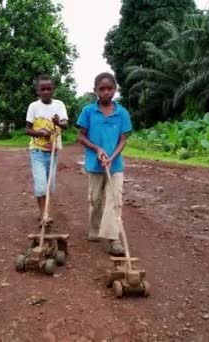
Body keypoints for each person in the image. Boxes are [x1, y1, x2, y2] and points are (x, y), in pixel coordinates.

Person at [76, 72, 132, 256]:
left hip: (115, 166)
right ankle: (94, 227)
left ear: (115, 90)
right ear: (95, 91)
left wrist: (112, 156)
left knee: (114, 200)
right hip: (94, 164)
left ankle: (114, 239)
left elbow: (123, 140)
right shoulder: (88, 111)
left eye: (110, 88)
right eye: (102, 89)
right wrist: (97, 149)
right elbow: (81, 136)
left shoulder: (122, 113)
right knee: (95, 199)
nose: (106, 92)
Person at [25, 75, 69, 222]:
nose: (46, 92)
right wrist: (40, 133)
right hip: (37, 151)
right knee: (40, 185)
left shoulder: (59, 105)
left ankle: (46, 213)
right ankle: (44, 215)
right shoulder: (33, 106)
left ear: (53, 89)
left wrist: (58, 122)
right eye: (42, 89)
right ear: (37, 91)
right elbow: (28, 130)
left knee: (50, 185)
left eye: (49, 89)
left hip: (53, 151)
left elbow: (65, 125)